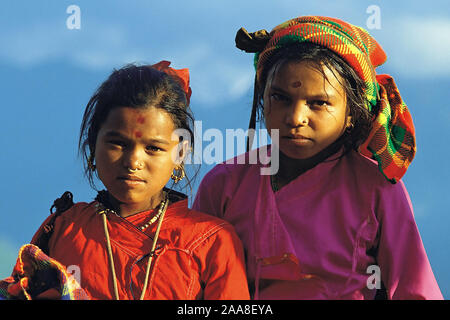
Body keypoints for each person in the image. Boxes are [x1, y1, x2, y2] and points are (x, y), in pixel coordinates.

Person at [193, 16, 443, 300]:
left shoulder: (378, 187)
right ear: (263, 98)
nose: (295, 118)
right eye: (280, 97)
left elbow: (415, 290)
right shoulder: (224, 185)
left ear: (352, 113)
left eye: (318, 103)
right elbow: (194, 285)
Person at [22, 61, 250, 300]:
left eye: (153, 148)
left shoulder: (211, 242)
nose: (133, 162)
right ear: (93, 145)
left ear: (180, 155)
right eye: (118, 143)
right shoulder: (64, 228)